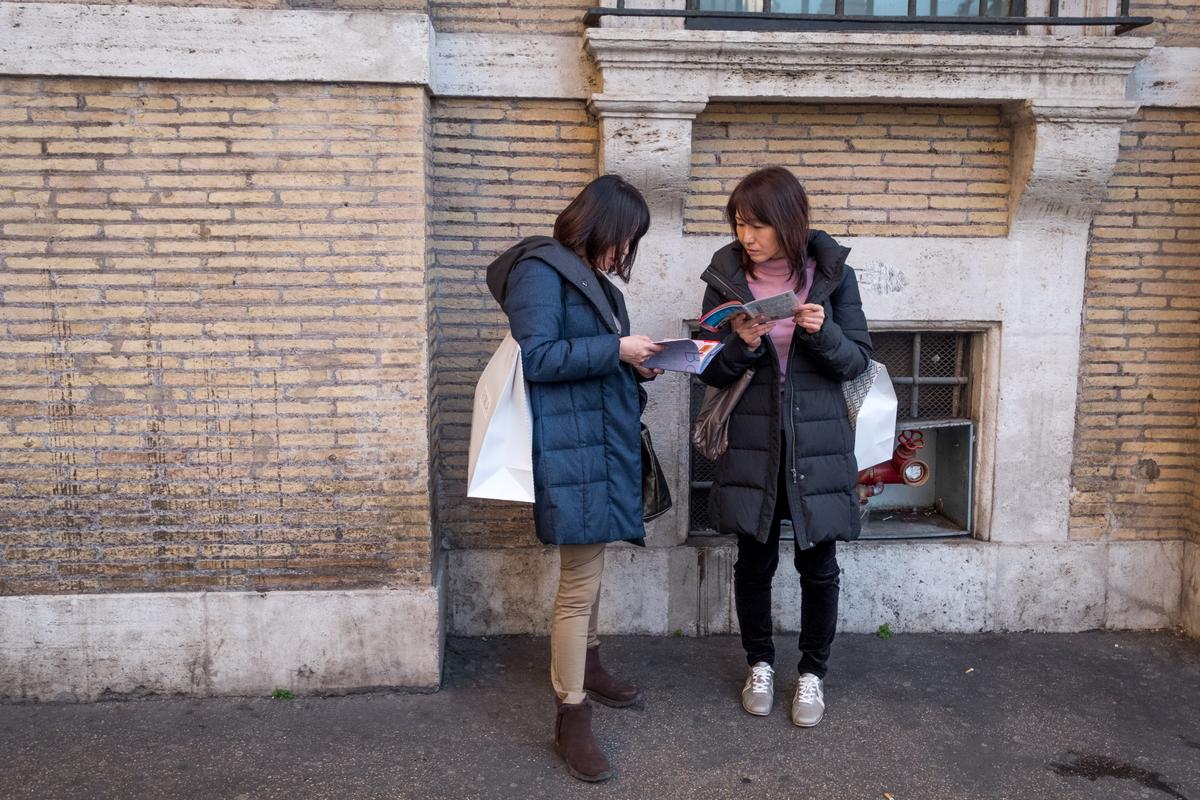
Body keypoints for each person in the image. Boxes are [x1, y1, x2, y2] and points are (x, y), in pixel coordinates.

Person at [485, 175, 663, 782]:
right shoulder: (541, 271)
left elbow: (594, 355)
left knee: (591, 572)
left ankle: (589, 666)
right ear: (601, 226)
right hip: (573, 448)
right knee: (577, 584)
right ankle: (572, 712)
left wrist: (641, 366)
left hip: (600, 441)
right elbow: (538, 359)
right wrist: (616, 352)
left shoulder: (593, 282)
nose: (625, 254)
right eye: (625, 240)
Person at [697, 166, 872, 728]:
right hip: (752, 439)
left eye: (757, 225)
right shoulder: (725, 277)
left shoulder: (833, 275)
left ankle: (813, 673)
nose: (746, 237)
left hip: (816, 440)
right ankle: (761, 664)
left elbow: (857, 362)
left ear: (789, 223)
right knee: (754, 560)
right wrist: (742, 345)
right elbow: (711, 370)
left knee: (818, 561)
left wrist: (823, 332)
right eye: (739, 224)